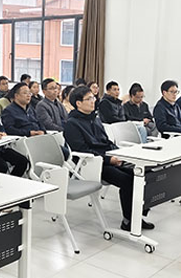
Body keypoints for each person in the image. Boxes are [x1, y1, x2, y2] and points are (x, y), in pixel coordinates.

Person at [64, 86, 154, 231]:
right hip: (92, 164)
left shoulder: (95, 119)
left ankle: (138, 214)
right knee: (128, 181)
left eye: (93, 98)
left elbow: (106, 142)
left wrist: (120, 153)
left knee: (144, 173)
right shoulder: (72, 124)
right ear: (78, 103)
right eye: (89, 99)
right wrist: (109, 160)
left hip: (108, 157)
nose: (93, 101)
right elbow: (82, 150)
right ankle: (128, 221)